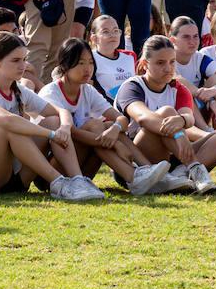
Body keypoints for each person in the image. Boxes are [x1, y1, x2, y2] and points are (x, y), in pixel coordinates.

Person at [0, 32, 99, 200]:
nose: (23, 66)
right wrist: (51, 134)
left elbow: (60, 111)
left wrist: (65, 127)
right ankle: (59, 183)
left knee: (52, 121)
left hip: (15, 175)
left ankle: (77, 180)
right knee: (8, 128)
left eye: (24, 60)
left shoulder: (18, 89)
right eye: (16, 60)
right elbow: (8, 121)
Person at [40, 39, 174, 194]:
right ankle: (134, 177)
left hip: (84, 169)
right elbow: (69, 131)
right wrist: (116, 144)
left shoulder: (87, 90)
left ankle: (146, 170)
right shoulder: (51, 92)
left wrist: (115, 129)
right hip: (53, 173)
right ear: (64, 65)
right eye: (81, 63)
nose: (87, 69)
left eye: (90, 62)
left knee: (109, 126)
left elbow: (121, 119)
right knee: (95, 125)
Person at [114, 36, 216, 194]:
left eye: (172, 62)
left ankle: (182, 174)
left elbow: (189, 118)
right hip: (138, 163)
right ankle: (194, 167)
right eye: (160, 63)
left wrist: (182, 120)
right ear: (144, 64)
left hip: (173, 153)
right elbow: (143, 118)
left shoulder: (178, 88)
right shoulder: (132, 86)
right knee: (167, 112)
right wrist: (179, 134)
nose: (168, 68)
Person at [87, 15, 137, 101]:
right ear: (94, 38)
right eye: (105, 32)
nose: (112, 35)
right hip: (104, 109)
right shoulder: (89, 58)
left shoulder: (130, 56)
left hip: (132, 104)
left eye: (115, 31)